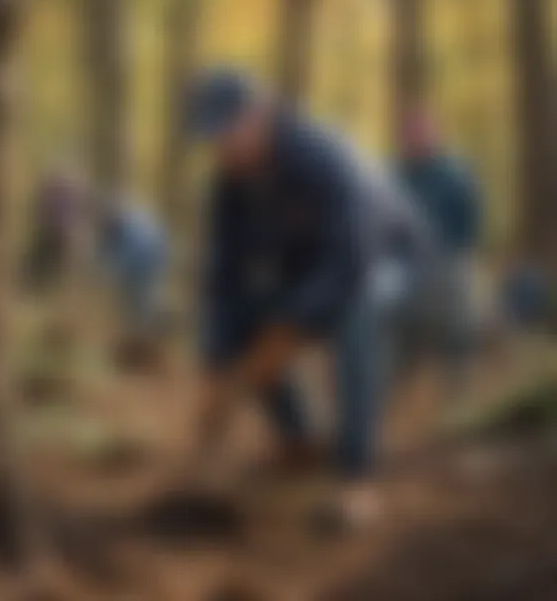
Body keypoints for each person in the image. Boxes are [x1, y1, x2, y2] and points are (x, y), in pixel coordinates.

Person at [188, 69, 431, 525]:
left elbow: (351, 260)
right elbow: (225, 279)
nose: (223, 148)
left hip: (385, 255)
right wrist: (216, 363)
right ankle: (297, 441)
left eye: (230, 132)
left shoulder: (323, 158)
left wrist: (290, 328)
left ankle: (358, 479)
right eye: (213, 138)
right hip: (315, 263)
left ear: (259, 115)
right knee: (253, 324)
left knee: (356, 319)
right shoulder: (229, 186)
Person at [396, 108, 483, 401]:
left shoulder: (456, 173)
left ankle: (458, 398)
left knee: (456, 332)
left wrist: (456, 255)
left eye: (424, 132)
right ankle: (397, 396)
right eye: (413, 133)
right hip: (405, 265)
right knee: (403, 331)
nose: (418, 138)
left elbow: (471, 219)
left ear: (436, 135)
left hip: (449, 261)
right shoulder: (396, 173)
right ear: (405, 138)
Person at [97, 198, 170, 370]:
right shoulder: (113, 228)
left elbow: (127, 261)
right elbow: (105, 253)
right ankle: (136, 344)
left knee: (143, 303)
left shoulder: (134, 231)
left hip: (151, 257)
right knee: (133, 304)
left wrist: (114, 274)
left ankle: (146, 349)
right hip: (147, 255)